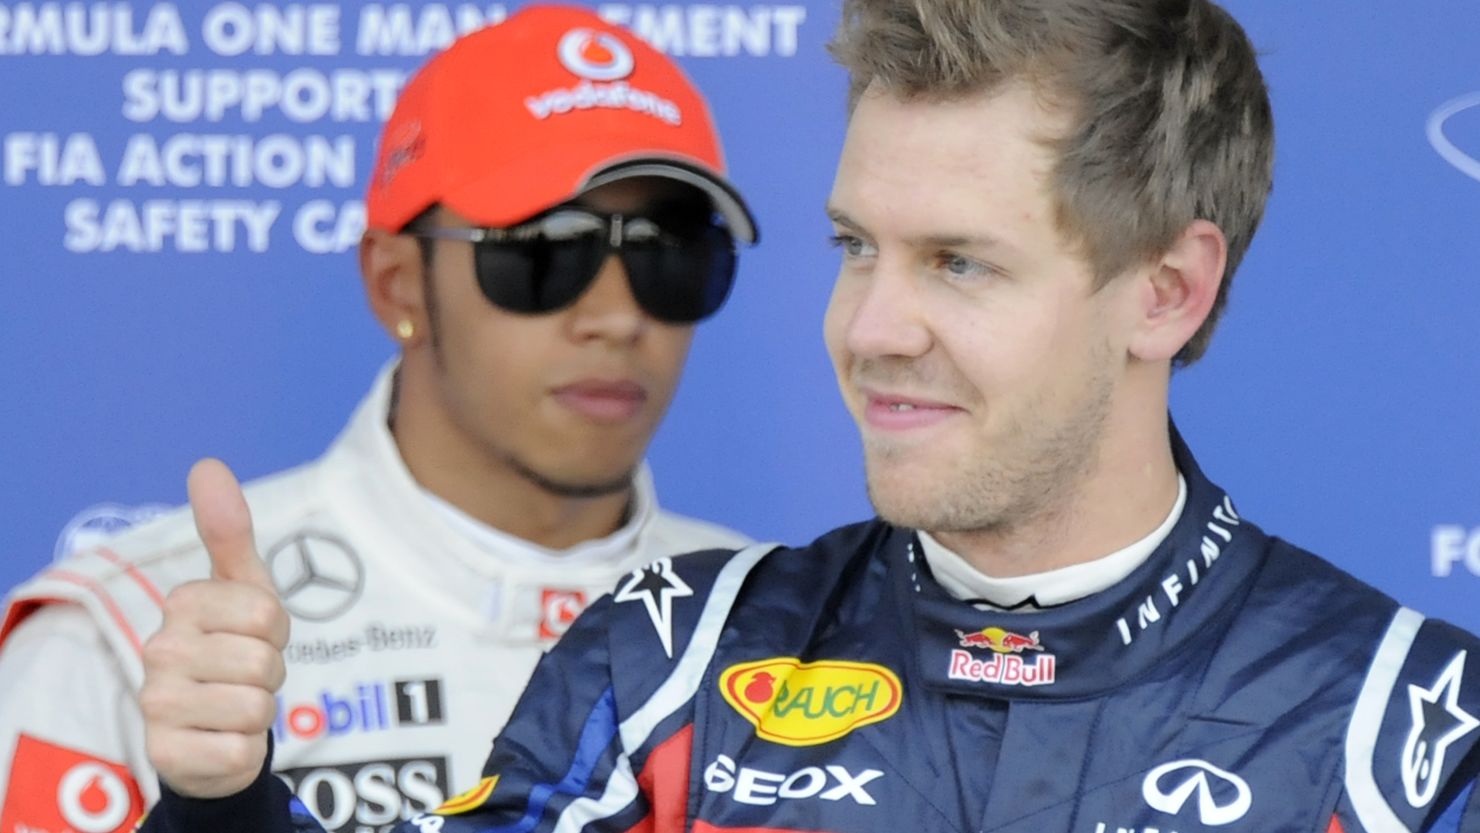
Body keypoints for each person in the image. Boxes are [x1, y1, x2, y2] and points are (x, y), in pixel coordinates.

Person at [135, 1, 1480, 832]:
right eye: (854, 247)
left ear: (1167, 292)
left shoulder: (1410, 729)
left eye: (959, 260)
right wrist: (220, 807)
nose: (870, 326)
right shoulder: (664, 660)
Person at [0, 6, 760, 832]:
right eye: (547, 251)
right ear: (399, 282)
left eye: (669, 254)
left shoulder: (786, 627)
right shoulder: (138, 638)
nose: (617, 317)